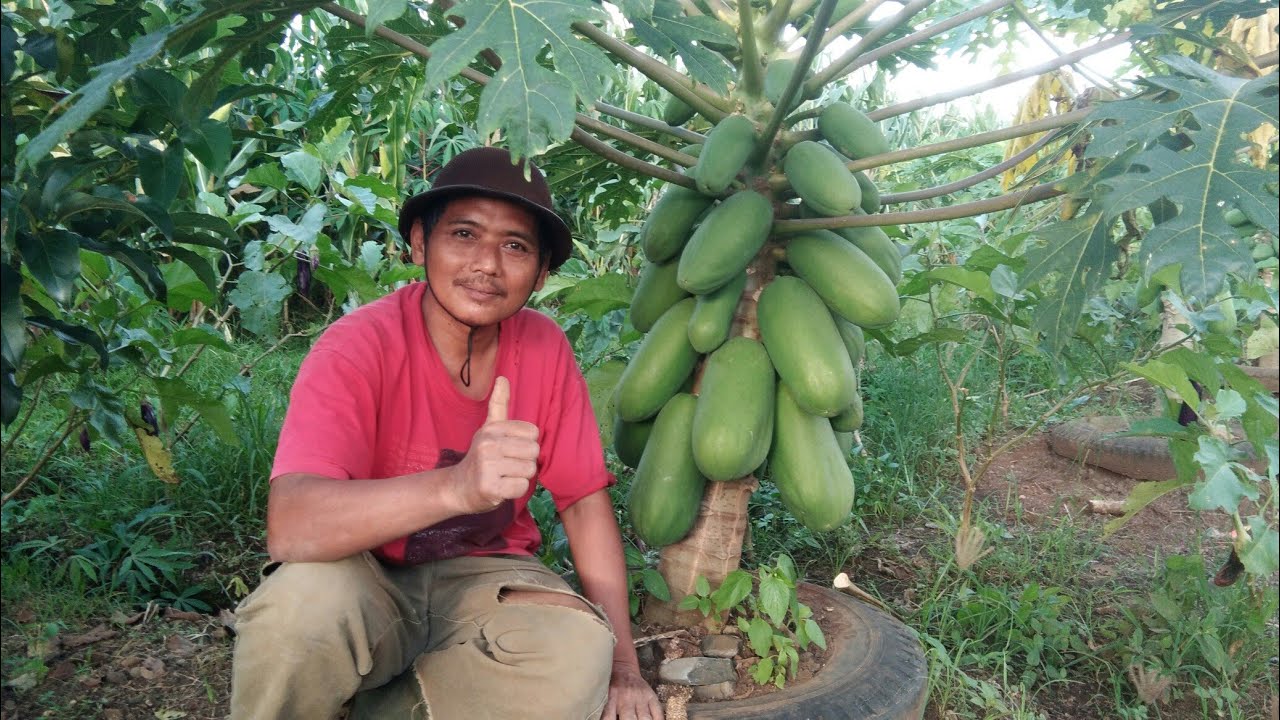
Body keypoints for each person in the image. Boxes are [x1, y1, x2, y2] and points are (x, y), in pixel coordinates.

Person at [230, 146, 665, 720]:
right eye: (463, 234)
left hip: (488, 576)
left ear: (540, 272)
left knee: (578, 650)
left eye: (515, 246)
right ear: (418, 243)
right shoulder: (357, 344)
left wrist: (626, 670)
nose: (487, 264)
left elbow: (583, 503)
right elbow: (292, 526)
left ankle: (388, 706)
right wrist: (456, 488)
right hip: (363, 571)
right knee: (296, 612)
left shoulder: (543, 348)